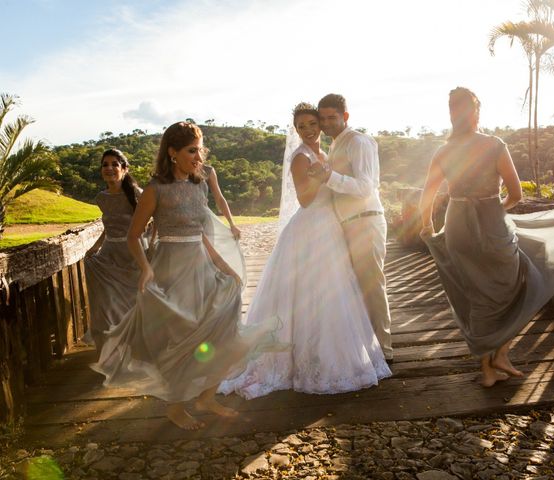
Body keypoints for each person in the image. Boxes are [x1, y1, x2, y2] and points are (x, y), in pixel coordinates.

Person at [92, 122, 281, 430]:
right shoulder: (156, 189)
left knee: (223, 325)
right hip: (170, 268)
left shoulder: (199, 184)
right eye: (192, 150)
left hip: (201, 265)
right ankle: (176, 407)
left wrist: (224, 266)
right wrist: (146, 268)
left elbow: (202, 235)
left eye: (200, 149)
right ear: (173, 153)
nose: (198, 156)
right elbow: (133, 235)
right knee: (181, 337)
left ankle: (206, 397)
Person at [219, 103, 391, 399]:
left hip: (332, 228)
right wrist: (316, 178)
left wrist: (325, 174)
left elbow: (344, 184)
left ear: (321, 125)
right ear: (296, 130)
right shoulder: (301, 158)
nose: (309, 130)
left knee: (331, 293)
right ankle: (300, 361)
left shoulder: (326, 153)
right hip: (312, 227)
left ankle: (326, 354)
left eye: (314, 124)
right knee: (310, 291)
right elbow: (305, 201)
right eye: (302, 126)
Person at [419, 87, 554, 387]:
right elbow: (516, 194)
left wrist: (427, 225)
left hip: (457, 225)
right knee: (522, 282)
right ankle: (502, 351)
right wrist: (494, 210)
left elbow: (427, 195)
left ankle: (488, 369)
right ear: (476, 113)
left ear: (452, 114)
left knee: (476, 292)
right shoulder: (494, 145)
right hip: (491, 223)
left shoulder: (443, 152)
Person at [308, 93, 393, 363]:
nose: (326, 123)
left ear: (345, 116)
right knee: (356, 287)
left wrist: (328, 176)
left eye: (332, 117)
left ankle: (384, 350)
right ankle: (366, 349)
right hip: (346, 224)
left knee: (371, 285)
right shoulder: (335, 145)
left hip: (366, 221)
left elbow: (366, 186)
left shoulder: (358, 142)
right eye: (322, 118)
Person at [84, 149, 142, 353]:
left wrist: (151, 245)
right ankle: (113, 344)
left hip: (133, 252)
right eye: (105, 164)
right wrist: (96, 246)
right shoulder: (102, 197)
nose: (109, 168)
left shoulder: (136, 194)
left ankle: (136, 345)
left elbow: (152, 221)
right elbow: (109, 226)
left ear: (124, 169)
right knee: (108, 299)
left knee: (135, 299)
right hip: (110, 253)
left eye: (114, 164)